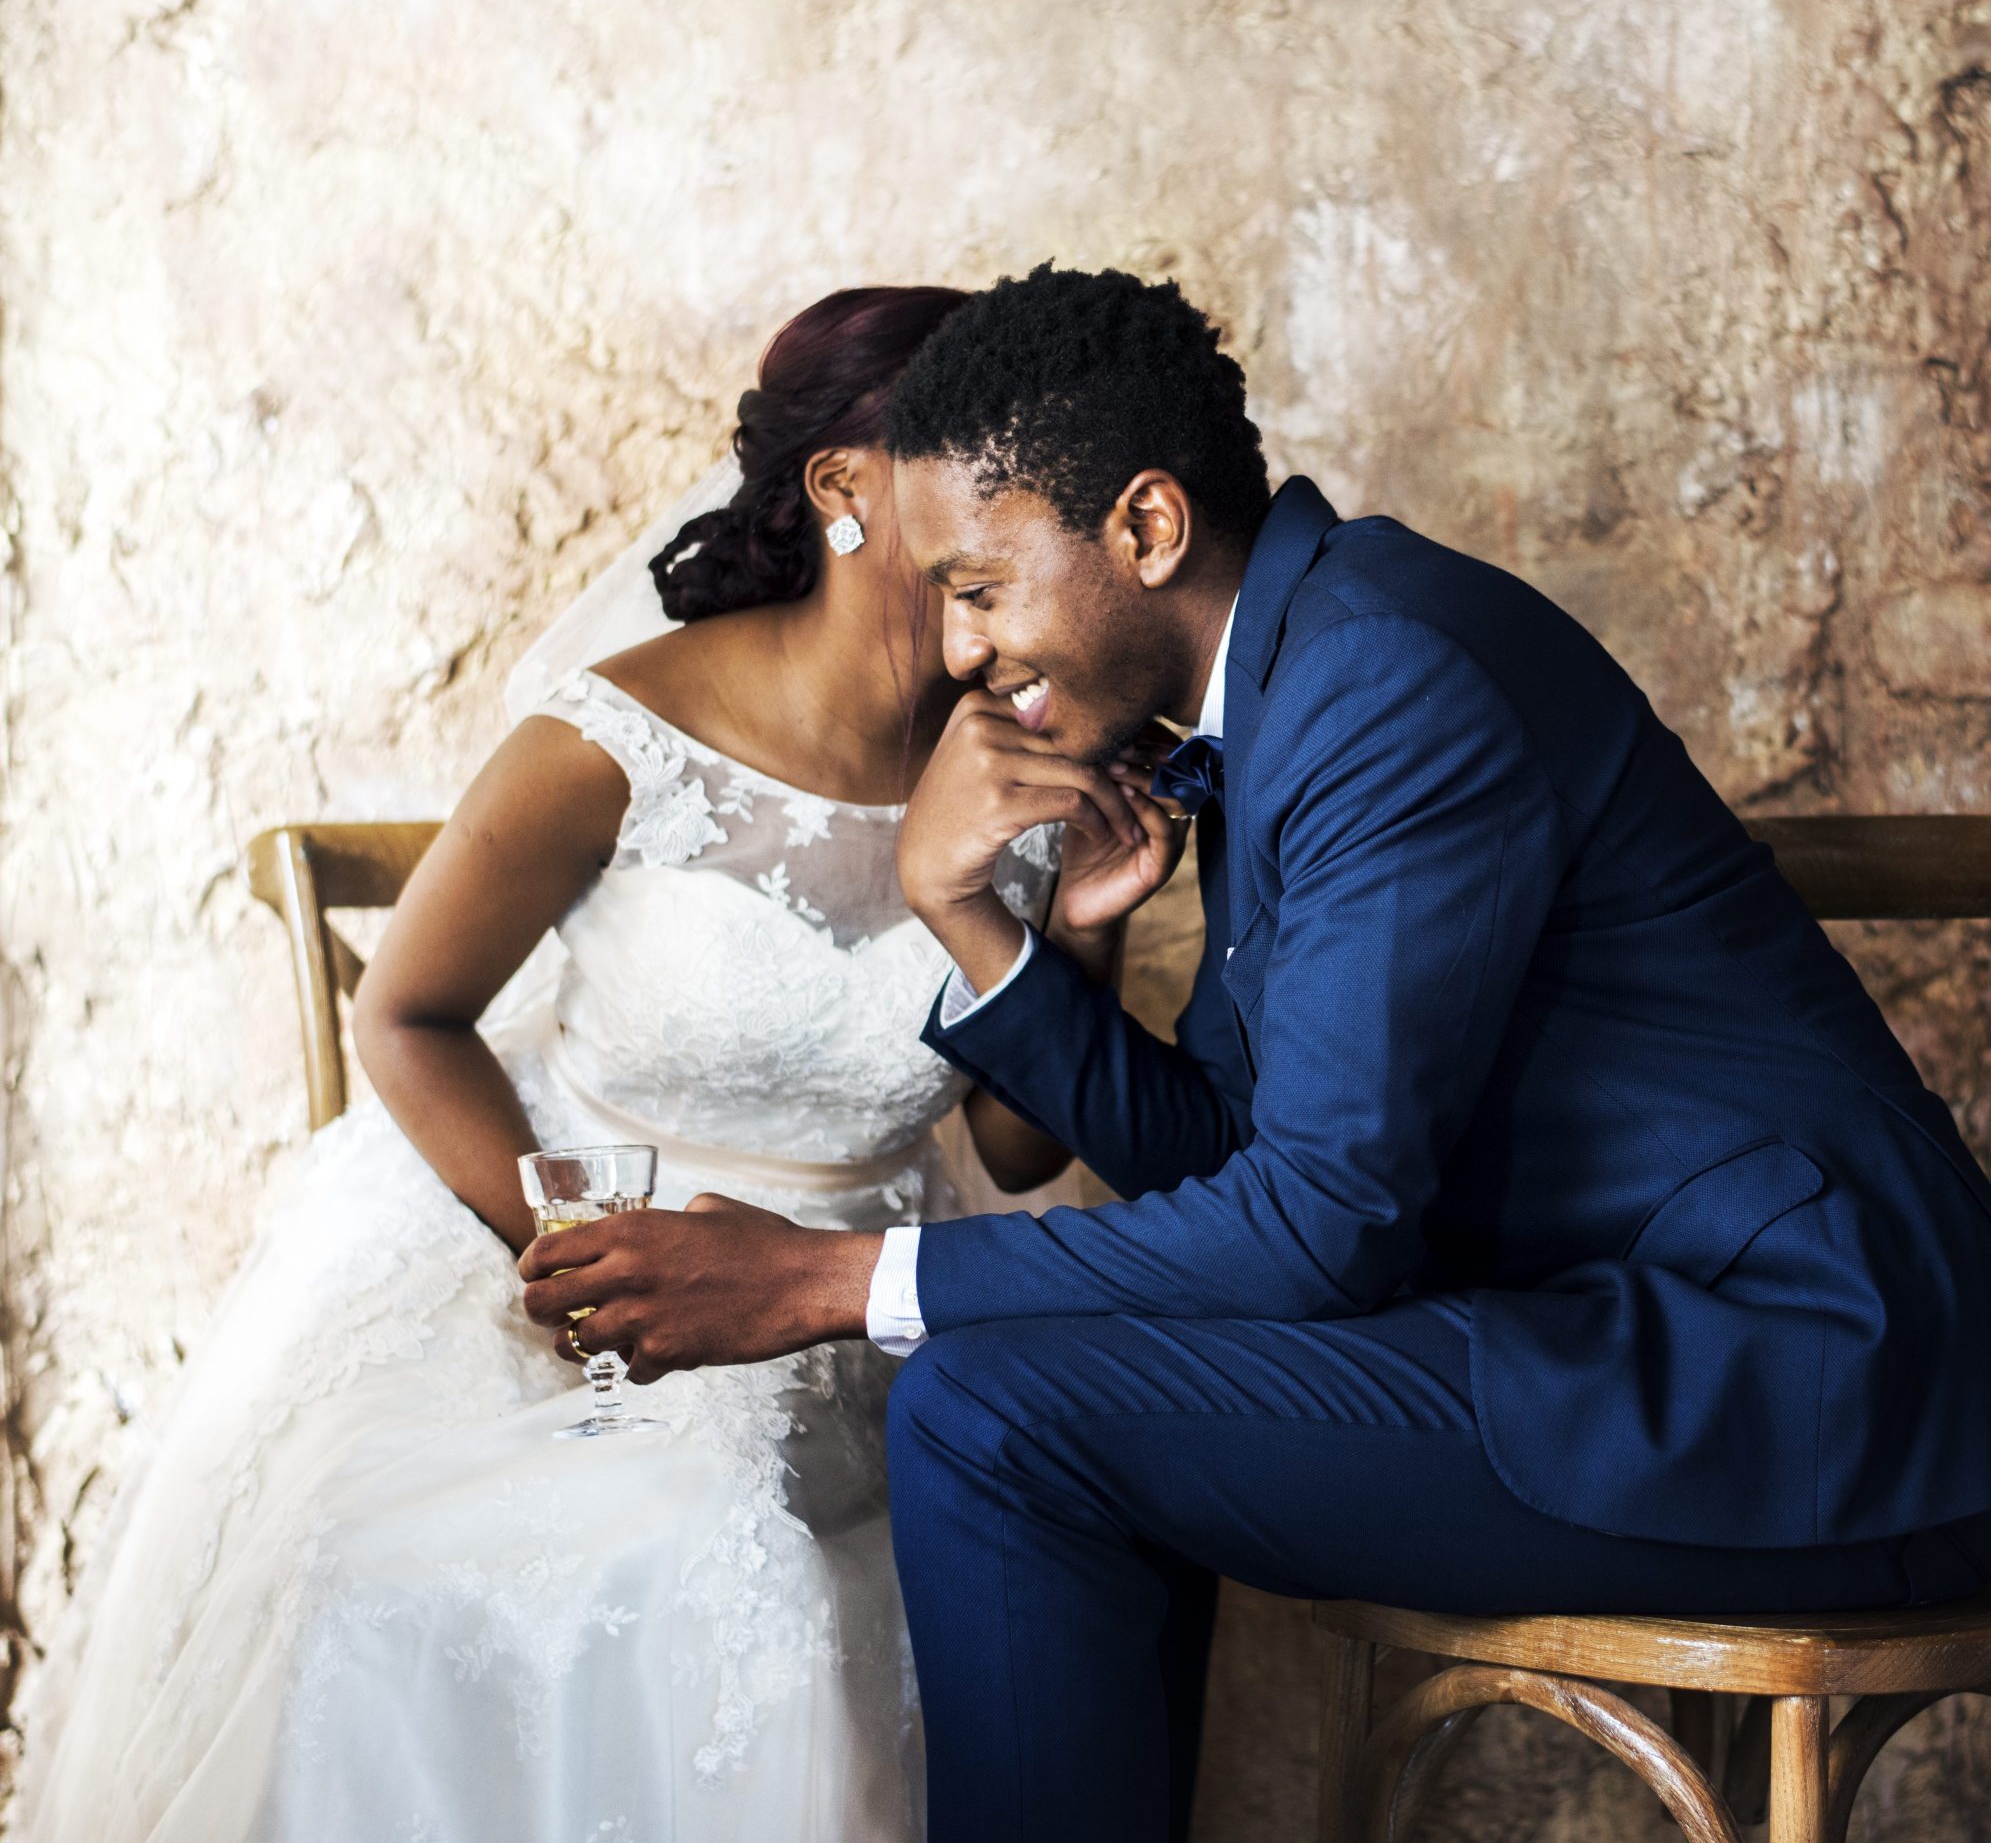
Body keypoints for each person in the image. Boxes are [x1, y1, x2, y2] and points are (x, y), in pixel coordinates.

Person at [522, 265, 1991, 1843]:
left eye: (979, 584)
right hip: (1624, 1347)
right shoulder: (1288, 677)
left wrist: (828, 1281)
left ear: (1145, 529)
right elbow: (1252, 1169)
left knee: (990, 1413)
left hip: (1813, 1391)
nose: (955, 647)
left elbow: (1318, 1228)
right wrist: (983, 930)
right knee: (1007, 1396)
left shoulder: (1385, 673)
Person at [12, 285, 1156, 1843]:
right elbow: (405, 1016)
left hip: (857, 1282)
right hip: (570, 1228)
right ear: (841, 490)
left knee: (849, 1546)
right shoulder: (620, 737)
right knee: (446, 1548)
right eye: (968, 455)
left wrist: (1076, 938)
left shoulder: (1031, 741)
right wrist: (566, 1248)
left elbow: (1022, 1157)